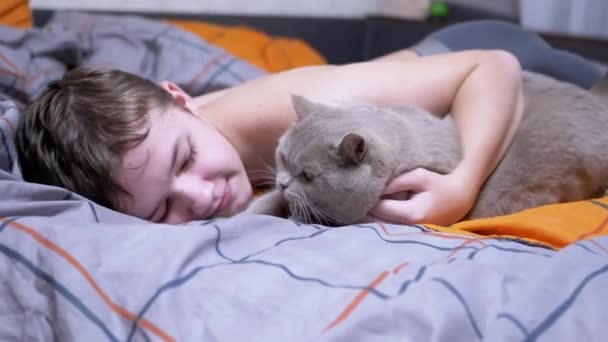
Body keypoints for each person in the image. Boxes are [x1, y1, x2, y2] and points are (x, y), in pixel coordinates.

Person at [14, 20, 603, 226]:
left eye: (186, 158)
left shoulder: (290, 108)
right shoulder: (160, 159)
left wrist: (462, 184)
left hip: (479, 56)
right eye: (161, 209)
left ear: (182, 97)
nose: (201, 195)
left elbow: (491, 68)